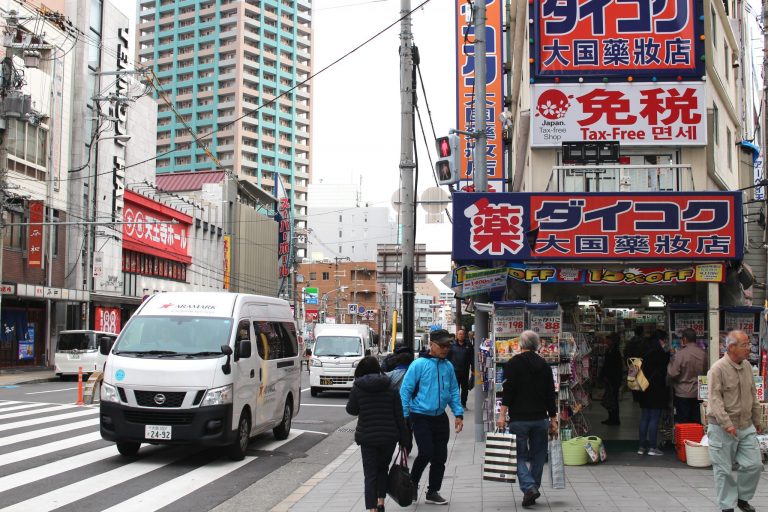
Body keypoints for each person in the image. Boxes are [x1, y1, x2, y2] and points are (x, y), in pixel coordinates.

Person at [400, 328, 464, 506]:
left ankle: (433, 491)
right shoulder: (418, 365)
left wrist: (458, 413)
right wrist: (405, 417)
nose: (445, 349)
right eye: (442, 345)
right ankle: (413, 482)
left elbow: (453, 391)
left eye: (448, 345)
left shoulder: (448, 366)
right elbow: (405, 391)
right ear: (432, 345)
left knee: (440, 456)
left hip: (440, 417)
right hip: (420, 415)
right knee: (426, 451)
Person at [496, 330, 558, 508]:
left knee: (518, 455)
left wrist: (502, 415)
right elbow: (549, 395)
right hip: (540, 418)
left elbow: (508, 392)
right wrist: (553, 419)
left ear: (521, 344)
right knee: (538, 455)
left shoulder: (513, 364)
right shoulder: (544, 365)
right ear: (537, 345)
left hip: (519, 419)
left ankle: (529, 487)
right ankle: (532, 488)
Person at [707, 330, 764, 512]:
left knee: (754, 464)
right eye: (745, 345)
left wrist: (758, 420)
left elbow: (753, 395)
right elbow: (715, 400)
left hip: (746, 425)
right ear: (731, 347)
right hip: (722, 428)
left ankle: (742, 498)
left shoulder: (747, 366)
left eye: (748, 344)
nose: (749, 348)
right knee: (723, 470)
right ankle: (727, 507)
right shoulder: (717, 369)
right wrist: (727, 424)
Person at [346, 356, 411, 512]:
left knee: (370, 474)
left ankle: (372, 509)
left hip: (367, 438)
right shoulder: (390, 386)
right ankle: (380, 502)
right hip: (389, 437)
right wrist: (404, 439)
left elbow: (351, 410)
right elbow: (399, 415)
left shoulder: (358, 387)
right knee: (382, 469)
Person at [637, 329, 670, 456]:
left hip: (643, 387)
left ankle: (641, 447)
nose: (665, 343)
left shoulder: (643, 349)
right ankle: (652, 447)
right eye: (665, 340)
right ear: (661, 340)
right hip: (656, 388)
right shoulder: (659, 353)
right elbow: (664, 369)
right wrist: (668, 354)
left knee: (644, 417)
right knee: (654, 418)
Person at [667, 328, 707, 423]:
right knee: (697, 422)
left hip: (683, 393)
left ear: (684, 339)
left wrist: (670, 363)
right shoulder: (703, 354)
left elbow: (672, 373)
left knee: (684, 423)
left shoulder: (680, 354)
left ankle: (686, 438)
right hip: (699, 393)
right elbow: (706, 371)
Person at [447, 329, 475, 409]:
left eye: (462, 334)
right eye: (459, 334)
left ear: (464, 335)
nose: (461, 335)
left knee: (465, 388)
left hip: (465, 370)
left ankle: (463, 403)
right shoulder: (452, 346)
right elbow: (448, 359)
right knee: (455, 389)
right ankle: (455, 404)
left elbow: (472, 358)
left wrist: (473, 369)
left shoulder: (469, 346)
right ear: (457, 335)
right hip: (455, 371)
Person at [600, 332, 623, 425]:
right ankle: (611, 418)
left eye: (608, 339)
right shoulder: (609, 350)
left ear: (612, 341)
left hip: (613, 380)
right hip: (609, 379)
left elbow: (616, 368)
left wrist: (613, 379)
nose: (606, 341)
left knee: (613, 399)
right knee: (610, 399)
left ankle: (615, 419)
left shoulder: (615, 352)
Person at [624, 326, 646, 403]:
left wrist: (627, 364)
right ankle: (641, 397)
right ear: (642, 332)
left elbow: (625, 353)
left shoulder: (630, 342)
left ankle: (635, 398)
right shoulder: (644, 342)